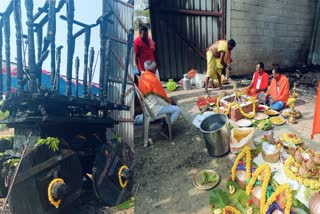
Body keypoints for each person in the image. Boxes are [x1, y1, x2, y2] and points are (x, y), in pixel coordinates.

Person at [135, 60, 180, 138]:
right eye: (156, 68)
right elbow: (161, 99)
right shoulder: (153, 80)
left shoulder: (143, 77)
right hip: (154, 109)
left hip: (147, 107)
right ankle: (165, 128)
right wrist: (169, 102)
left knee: (170, 104)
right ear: (155, 68)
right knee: (177, 109)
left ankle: (164, 124)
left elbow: (157, 96)